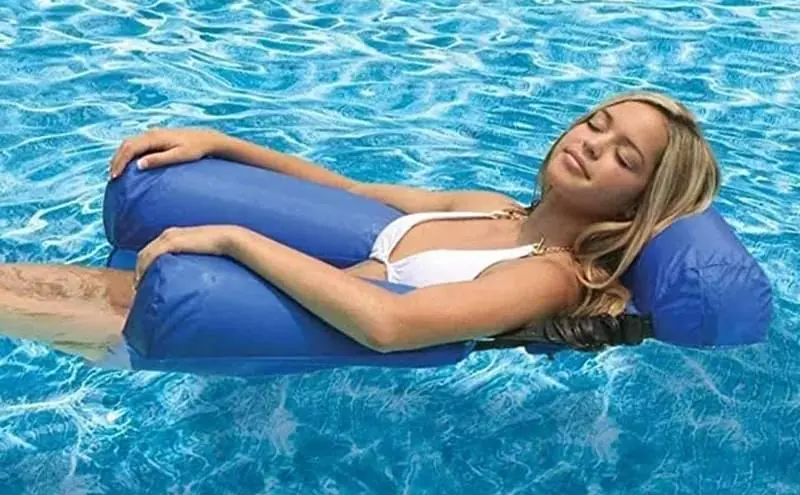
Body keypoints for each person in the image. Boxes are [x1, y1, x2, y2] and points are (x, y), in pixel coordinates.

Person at [0, 91, 719, 363]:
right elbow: (349, 191)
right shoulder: (493, 206)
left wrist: (233, 238)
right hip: (214, 291)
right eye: (597, 123)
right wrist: (221, 143)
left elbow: (389, 325)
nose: (592, 143)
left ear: (636, 204)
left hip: (228, 328)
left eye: (623, 156)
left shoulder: (548, 276)